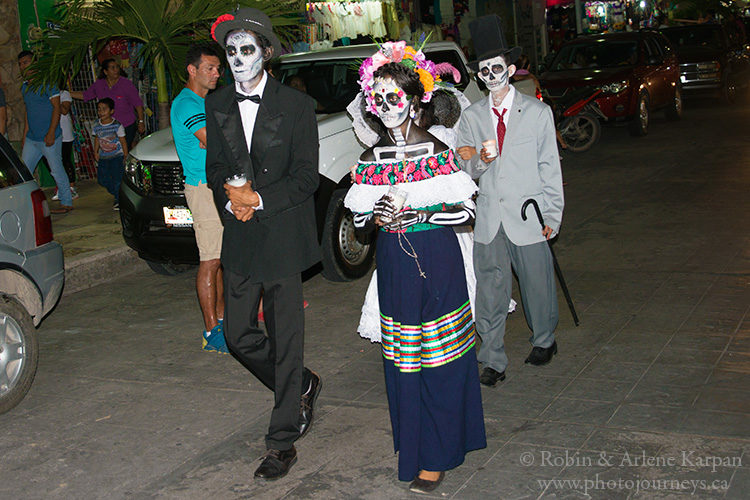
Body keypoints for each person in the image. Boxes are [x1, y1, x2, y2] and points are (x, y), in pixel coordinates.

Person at [345, 41, 486, 494]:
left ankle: (441, 452)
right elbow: (361, 224)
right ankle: (416, 446)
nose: (386, 107)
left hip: (439, 261)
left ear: (415, 99)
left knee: (442, 359)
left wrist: (421, 215)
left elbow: (467, 213)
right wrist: (377, 217)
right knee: (406, 363)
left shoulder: (438, 151)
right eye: (379, 99)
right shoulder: (368, 162)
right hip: (395, 267)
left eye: (395, 98)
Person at [205, 7, 322, 480]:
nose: (236, 58)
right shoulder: (216, 105)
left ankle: (282, 443)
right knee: (237, 336)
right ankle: (300, 388)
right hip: (241, 235)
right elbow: (214, 169)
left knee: (286, 339)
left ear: (266, 54)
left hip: (283, 237)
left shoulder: (297, 107)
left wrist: (259, 198)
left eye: (246, 49)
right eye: (230, 50)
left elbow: (307, 178)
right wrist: (230, 198)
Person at [457, 15, 564, 387]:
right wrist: (478, 161)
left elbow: (550, 166)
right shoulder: (470, 117)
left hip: (528, 214)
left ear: (511, 69)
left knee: (537, 284)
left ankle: (544, 339)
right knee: (489, 290)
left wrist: (553, 214)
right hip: (489, 218)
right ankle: (492, 358)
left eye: (497, 68)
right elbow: (463, 165)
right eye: (484, 71)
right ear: (479, 76)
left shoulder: (537, 113)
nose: (491, 75)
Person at [170, 43, 228, 354]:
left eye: (218, 68)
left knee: (218, 259)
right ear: (192, 70)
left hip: (213, 186)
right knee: (210, 260)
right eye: (210, 68)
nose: (217, 73)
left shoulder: (203, 102)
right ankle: (210, 331)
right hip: (202, 188)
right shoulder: (187, 104)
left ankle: (220, 321)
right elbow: (212, 141)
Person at [18, 50, 74, 214]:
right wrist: (25, 135)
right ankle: (27, 204)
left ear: (35, 62)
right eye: (21, 64)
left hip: (49, 136)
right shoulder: (25, 87)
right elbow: (28, 111)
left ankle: (67, 201)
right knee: (24, 171)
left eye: (26, 62)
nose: (23, 66)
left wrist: (51, 133)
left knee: (56, 169)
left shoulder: (47, 83)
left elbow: (57, 108)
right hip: (32, 138)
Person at [70, 58, 145, 149]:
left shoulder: (126, 84)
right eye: (112, 68)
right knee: (111, 150)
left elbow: (137, 103)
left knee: (123, 149)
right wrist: (67, 93)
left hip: (126, 124)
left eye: (117, 67)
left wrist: (141, 121)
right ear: (105, 71)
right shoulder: (99, 85)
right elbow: (86, 95)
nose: (116, 70)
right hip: (108, 126)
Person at [91, 98, 127, 209]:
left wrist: (125, 155)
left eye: (104, 109)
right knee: (102, 179)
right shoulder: (96, 125)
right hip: (104, 156)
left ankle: (118, 199)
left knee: (117, 178)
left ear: (111, 111)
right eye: (99, 109)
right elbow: (97, 138)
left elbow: (122, 140)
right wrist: (96, 152)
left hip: (117, 156)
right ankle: (119, 194)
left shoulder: (117, 125)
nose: (101, 112)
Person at [53, 89, 79, 201]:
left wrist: (54, 100)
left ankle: (71, 188)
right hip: (52, 131)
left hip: (65, 132)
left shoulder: (64, 94)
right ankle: (62, 187)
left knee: (65, 159)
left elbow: (64, 110)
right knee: (53, 161)